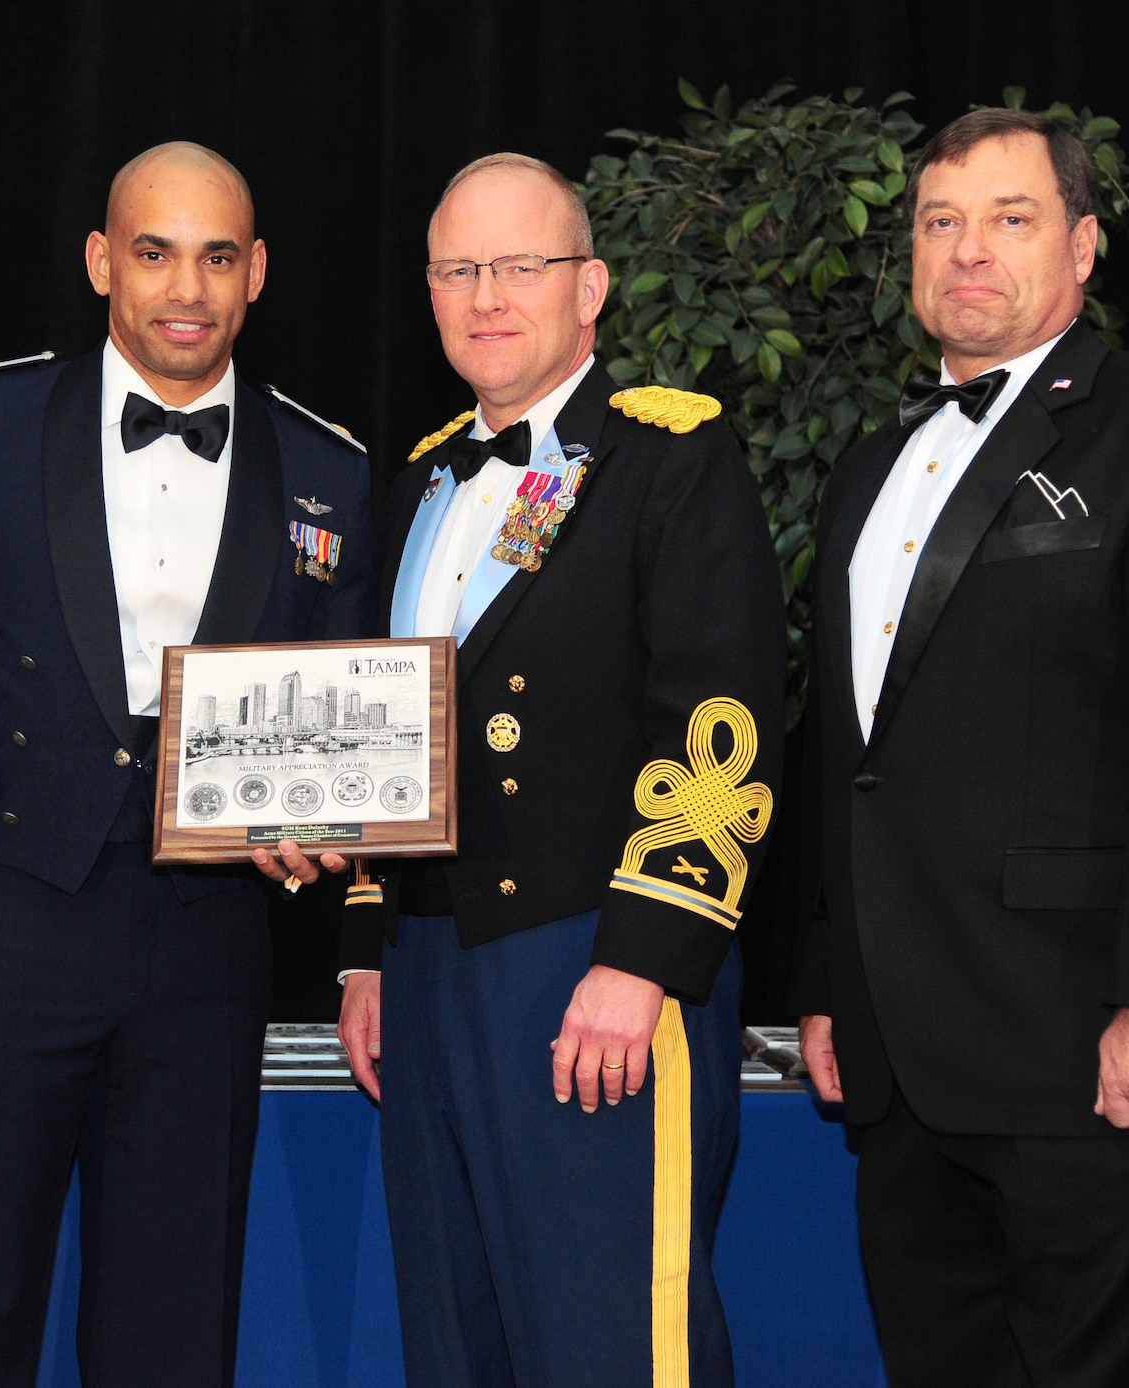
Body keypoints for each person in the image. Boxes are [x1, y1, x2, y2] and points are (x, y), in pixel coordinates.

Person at [791, 108, 1129, 1386]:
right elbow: (847, 749)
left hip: (1092, 1054)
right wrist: (826, 975)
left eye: (1008, 219)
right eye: (939, 222)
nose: (966, 250)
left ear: (1082, 247)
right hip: (900, 1067)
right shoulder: (869, 467)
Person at [0, 141, 374, 1386]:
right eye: (153, 251)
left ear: (255, 277)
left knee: (173, 1319)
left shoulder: (330, 469)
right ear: (100, 263)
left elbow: (351, 717)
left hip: (210, 941)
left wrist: (331, 820)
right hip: (2, 918)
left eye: (215, 255)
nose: (184, 287)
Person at [329, 153, 784, 1386]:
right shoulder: (417, 481)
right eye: (457, 269)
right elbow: (387, 743)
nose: (486, 295)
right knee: (457, 1338)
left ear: (587, 286)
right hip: (427, 974)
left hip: (588, 964)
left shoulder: (666, 461)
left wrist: (643, 957)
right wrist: (367, 945)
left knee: (607, 1341)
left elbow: (719, 723)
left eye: (518, 266)